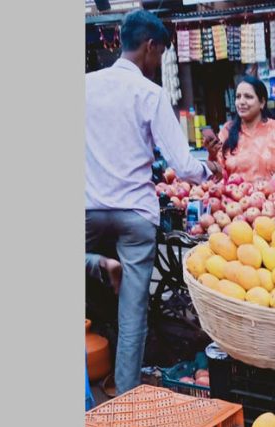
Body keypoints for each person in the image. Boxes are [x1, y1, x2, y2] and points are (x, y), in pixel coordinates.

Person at [86, 9, 219, 395]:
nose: (158, 63)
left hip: (87, 210)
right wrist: (208, 170)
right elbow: (182, 164)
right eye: (160, 54)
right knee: (132, 315)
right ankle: (126, 397)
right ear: (151, 46)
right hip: (135, 216)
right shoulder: (149, 93)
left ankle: (94, 265)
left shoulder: (84, 86)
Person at [208, 76, 275, 183]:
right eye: (238, 97)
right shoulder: (227, 131)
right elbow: (218, 177)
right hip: (233, 197)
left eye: (248, 97)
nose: (241, 102)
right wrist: (212, 155)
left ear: (262, 102)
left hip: (272, 197)